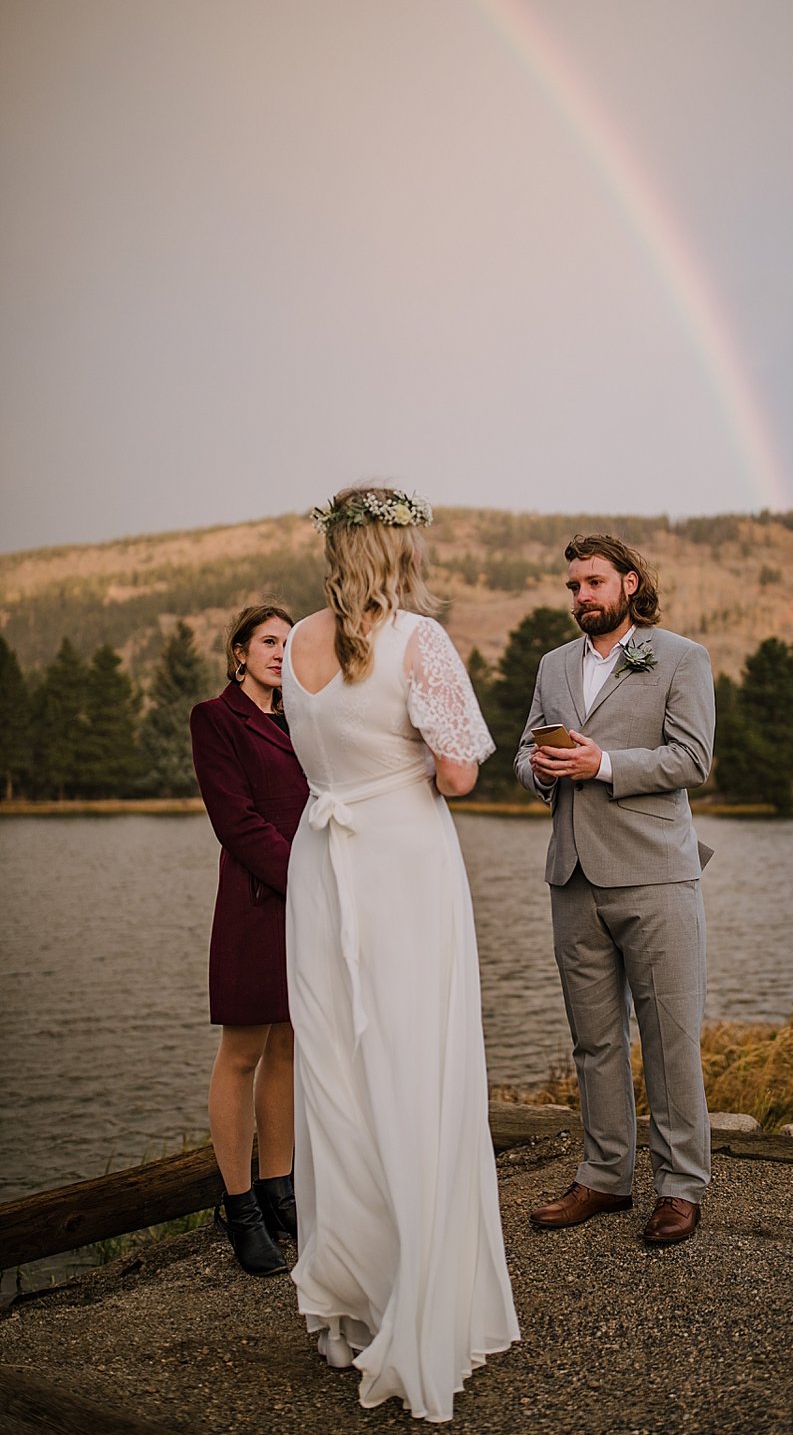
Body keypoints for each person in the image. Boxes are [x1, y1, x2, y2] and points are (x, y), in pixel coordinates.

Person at [282, 486, 518, 1423]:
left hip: (320, 859)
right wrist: (411, 761)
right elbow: (458, 771)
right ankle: (424, 1305)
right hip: (403, 862)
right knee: (419, 1062)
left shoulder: (294, 644)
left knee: (337, 1072)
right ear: (398, 553)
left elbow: (317, 749)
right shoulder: (420, 639)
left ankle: (354, 1299)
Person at [514, 533, 715, 1246]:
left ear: (630, 584)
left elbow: (692, 758)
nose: (580, 597)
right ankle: (603, 1176)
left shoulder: (680, 657)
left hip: (656, 873)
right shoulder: (552, 665)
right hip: (572, 874)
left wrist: (602, 764)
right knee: (594, 1041)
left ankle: (680, 1187)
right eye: (572, 586)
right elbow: (526, 748)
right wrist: (538, 770)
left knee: (670, 1039)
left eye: (593, 583)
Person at [189, 605, 309, 1276]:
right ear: (238, 653)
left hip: (306, 908)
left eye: (289, 644)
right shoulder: (215, 718)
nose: (279, 652)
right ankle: (239, 1207)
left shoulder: (298, 722)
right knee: (241, 1049)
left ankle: (279, 1187)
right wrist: (306, 880)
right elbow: (235, 820)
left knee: (289, 1043)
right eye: (268, 642)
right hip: (256, 901)